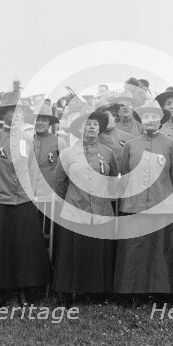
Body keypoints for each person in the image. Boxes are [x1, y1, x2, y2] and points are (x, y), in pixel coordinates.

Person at [0, 93, 50, 304]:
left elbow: (33, 170)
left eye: (19, 112)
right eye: (11, 111)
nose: (16, 115)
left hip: (23, 201)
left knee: (23, 246)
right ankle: (1, 291)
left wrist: (29, 192)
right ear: (4, 115)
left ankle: (22, 291)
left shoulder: (27, 139)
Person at [114, 100, 173, 297]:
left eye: (154, 116)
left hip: (162, 205)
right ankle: (132, 292)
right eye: (146, 116)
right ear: (141, 120)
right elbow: (124, 173)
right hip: (134, 205)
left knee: (160, 251)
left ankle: (161, 292)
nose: (151, 120)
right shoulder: (130, 145)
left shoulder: (172, 146)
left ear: (161, 119)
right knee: (134, 250)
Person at [52, 111, 118, 299]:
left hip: (101, 211)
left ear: (100, 129)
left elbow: (113, 180)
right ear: (80, 128)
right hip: (75, 211)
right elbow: (58, 183)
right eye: (87, 124)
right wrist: (73, 200)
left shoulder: (108, 153)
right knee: (72, 253)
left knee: (97, 252)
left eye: (95, 124)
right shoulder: (68, 153)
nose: (91, 127)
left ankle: (96, 293)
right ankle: (68, 292)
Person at [25, 104, 66, 200]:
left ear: (49, 123)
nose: (40, 123)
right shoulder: (26, 141)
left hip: (50, 195)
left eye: (44, 120)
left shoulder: (59, 142)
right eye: (37, 120)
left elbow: (64, 171)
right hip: (28, 194)